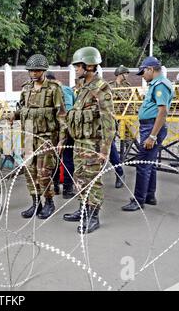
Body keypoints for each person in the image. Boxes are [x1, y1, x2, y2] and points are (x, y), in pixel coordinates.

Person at [62, 47, 116, 234]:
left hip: (93, 144)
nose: (76, 69)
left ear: (90, 66)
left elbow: (108, 121)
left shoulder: (101, 88)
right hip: (79, 143)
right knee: (80, 178)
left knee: (93, 180)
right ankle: (83, 208)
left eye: (78, 66)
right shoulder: (82, 90)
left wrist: (105, 149)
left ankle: (94, 217)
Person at [10, 55, 67, 219]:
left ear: (44, 71)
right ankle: (36, 203)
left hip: (46, 138)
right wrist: (14, 115)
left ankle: (49, 202)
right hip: (28, 137)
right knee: (30, 171)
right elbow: (22, 108)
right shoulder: (26, 88)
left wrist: (62, 139)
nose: (34, 73)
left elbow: (61, 115)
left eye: (37, 70)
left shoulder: (53, 89)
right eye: (31, 71)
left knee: (44, 173)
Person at [122, 56, 173, 211]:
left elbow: (162, 112)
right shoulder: (156, 84)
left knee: (143, 164)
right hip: (149, 126)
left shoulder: (160, 85)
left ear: (150, 69)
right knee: (149, 163)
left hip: (151, 128)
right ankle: (149, 196)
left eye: (143, 72)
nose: (142, 76)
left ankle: (138, 200)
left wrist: (152, 136)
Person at [45, 71, 76, 199]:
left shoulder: (48, 90)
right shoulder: (67, 89)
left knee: (55, 158)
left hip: (54, 129)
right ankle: (68, 189)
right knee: (68, 158)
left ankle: (56, 186)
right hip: (68, 127)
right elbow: (73, 107)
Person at [108, 65, 131, 188]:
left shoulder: (127, 86)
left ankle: (119, 173)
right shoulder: (110, 86)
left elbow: (128, 99)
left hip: (123, 118)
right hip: (110, 118)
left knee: (112, 148)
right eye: (125, 73)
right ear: (119, 74)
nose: (127, 76)